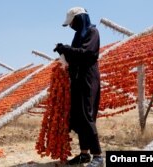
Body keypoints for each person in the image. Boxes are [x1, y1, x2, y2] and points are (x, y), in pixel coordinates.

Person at [54, 7, 103, 167]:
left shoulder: (92, 32)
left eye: (72, 22)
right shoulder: (77, 35)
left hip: (88, 78)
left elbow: (87, 54)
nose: (71, 26)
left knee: (87, 115)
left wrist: (66, 49)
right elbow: (75, 55)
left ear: (80, 19)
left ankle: (97, 156)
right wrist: (64, 56)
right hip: (77, 79)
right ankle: (84, 154)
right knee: (79, 117)